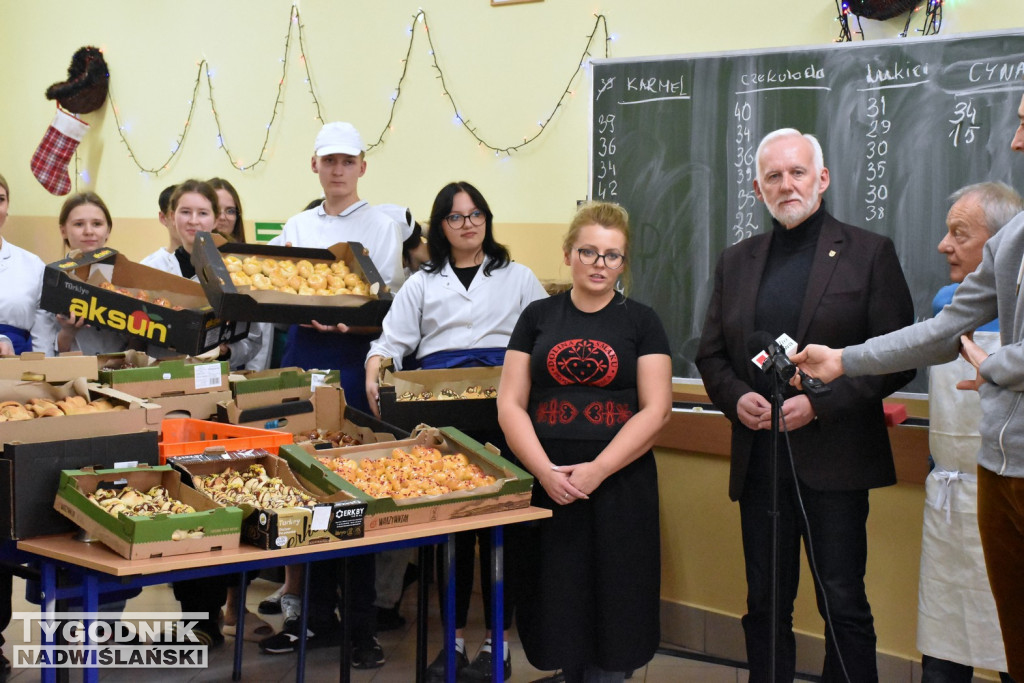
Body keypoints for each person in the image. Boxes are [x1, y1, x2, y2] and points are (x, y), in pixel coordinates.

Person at [792, 96, 1024, 682]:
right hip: (1002, 468)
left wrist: (994, 365)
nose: (1017, 141)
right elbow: (947, 328)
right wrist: (845, 360)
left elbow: (987, 352)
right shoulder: (1015, 238)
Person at [694, 128, 915, 682]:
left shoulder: (870, 254)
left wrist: (822, 405)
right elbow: (712, 355)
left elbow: (898, 357)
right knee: (765, 605)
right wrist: (736, 398)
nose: (786, 184)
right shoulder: (735, 261)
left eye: (797, 172)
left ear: (822, 178)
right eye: (773, 175)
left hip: (836, 463)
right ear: (757, 187)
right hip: (761, 464)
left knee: (842, 602)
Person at [366, 181, 547, 681]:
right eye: (455, 217)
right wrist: (375, 363)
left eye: (476, 215)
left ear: (487, 220)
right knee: (451, 528)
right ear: (440, 226)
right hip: (439, 418)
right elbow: (391, 340)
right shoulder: (422, 283)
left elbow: (544, 337)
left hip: (504, 411)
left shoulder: (519, 277)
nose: (468, 225)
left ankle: (498, 645)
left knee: (499, 528)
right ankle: (452, 643)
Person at [497, 201, 672, 682]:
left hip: (619, 485)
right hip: (548, 485)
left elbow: (656, 409)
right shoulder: (536, 316)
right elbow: (510, 403)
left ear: (624, 262)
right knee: (557, 596)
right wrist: (542, 471)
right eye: (589, 252)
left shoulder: (642, 321)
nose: (600, 264)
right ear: (569, 254)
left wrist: (598, 469)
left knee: (617, 596)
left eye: (612, 256)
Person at [259, 122, 403, 670]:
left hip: (354, 360)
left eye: (347, 161)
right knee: (302, 483)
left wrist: (356, 330)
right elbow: (266, 286)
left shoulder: (383, 226)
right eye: (329, 161)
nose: (338, 170)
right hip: (304, 358)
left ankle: (361, 629)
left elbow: (388, 306)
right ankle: (312, 620)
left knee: (356, 488)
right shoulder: (297, 226)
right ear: (314, 167)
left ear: (362, 166)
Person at [916, 183, 1021, 682]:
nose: (944, 245)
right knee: (943, 651)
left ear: (1005, 244)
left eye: (960, 233)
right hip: (950, 501)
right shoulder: (944, 305)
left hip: (1008, 492)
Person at [53, 192, 130, 355]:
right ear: (63, 231)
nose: (89, 231)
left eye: (97, 224)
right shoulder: (53, 279)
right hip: (72, 373)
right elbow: (43, 346)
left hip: (120, 370)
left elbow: (137, 346)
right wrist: (67, 333)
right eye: (79, 224)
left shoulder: (129, 278)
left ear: (108, 230)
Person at [0, 173, 56, 357]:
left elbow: (43, 335)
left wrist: (42, 376)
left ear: (7, 207)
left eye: (0, 200)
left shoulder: (32, 265)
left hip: (19, 372)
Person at [208, 177, 246, 243]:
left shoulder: (247, 253)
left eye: (230, 211)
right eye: (216, 209)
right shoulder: (187, 252)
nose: (222, 217)